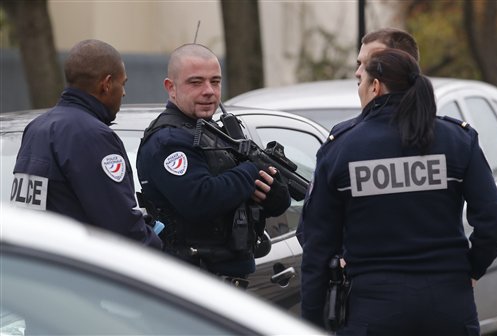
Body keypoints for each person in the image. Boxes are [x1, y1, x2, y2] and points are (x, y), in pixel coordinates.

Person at [300, 48, 497, 335]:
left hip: (373, 311)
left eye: (361, 82)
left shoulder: (343, 147)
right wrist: (471, 269)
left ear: (375, 86)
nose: (359, 89)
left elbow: (317, 244)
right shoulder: (457, 140)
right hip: (448, 306)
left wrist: (311, 320)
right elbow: (494, 220)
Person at [136, 43, 290, 287]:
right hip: (189, 284)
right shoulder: (168, 140)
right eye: (196, 82)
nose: (209, 91)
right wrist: (252, 171)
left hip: (226, 283)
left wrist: (273, 192)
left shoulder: (215, 132)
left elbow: (275, 201)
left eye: (215, 81)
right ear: (171, 87)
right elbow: (200, 199)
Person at [11, 39, 162, 249]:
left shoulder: (37, 128)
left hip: (37, 261)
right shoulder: (92, 136)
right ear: (107, 84)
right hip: (80, 270)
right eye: (123, 83)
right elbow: (121, 226)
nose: (124, 93)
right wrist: (159, 249)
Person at [296, 28, 420, 247]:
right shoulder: (454, 138)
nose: (358, 72)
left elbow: (311, 232)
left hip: (367, 277)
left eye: (369, 63)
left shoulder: (344, 143)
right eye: (358, 63)